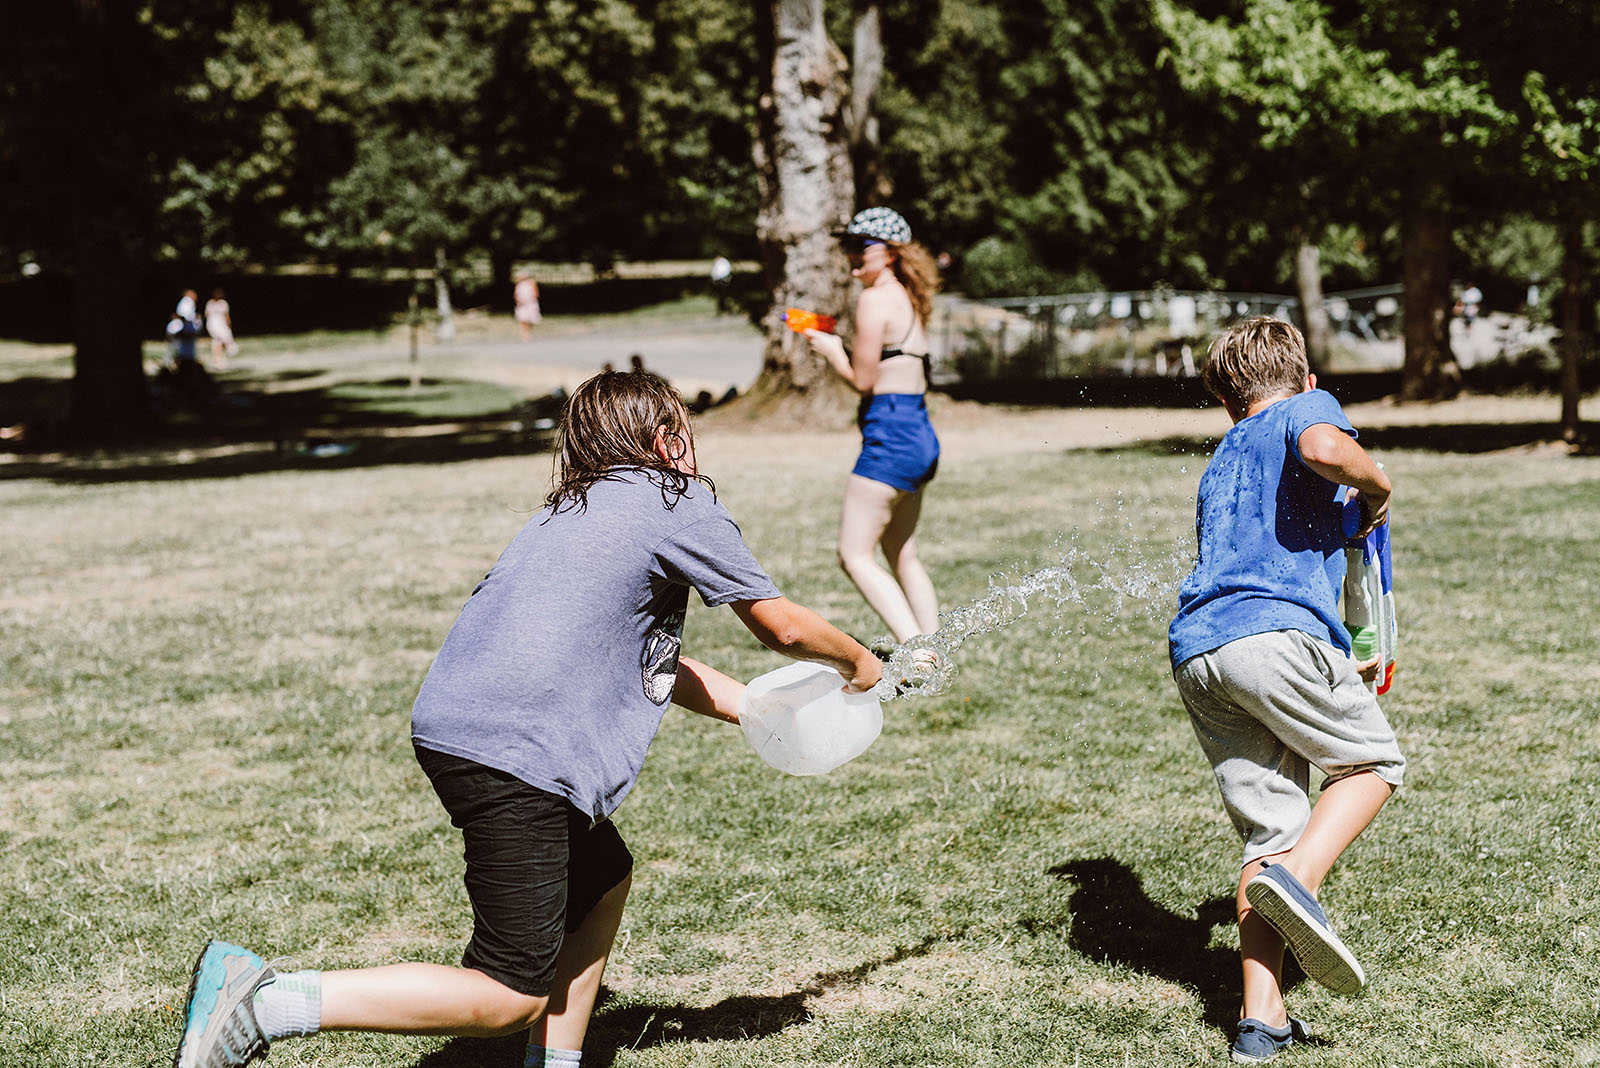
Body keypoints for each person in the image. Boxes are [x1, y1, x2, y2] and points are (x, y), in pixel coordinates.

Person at [172, 370, 883, 1068]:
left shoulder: (573, 510)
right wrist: (859, 663)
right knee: (506, 992)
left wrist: (759, 709)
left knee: (602, 877)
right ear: (667, 440)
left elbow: (648, 661)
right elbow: (783, 628)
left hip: (461, 726)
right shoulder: (676, 500)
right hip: (519, 749)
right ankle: (267, 1000)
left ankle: (557, 1061)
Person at [1167, 317, 1404, 1064]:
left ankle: (1259, 1022)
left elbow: (1254, 560)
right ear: (1302, 378)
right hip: (1270, 639)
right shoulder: (1306, 408)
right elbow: (1326, 449)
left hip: (1202, 653)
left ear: (1227, 398)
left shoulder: (1222, 461)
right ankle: (1299, 886)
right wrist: (1378, 488)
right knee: (1371, 765)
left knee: (1269, 831)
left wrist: (1335, 647)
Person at [804, 207, 942, 662]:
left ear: (888, 252)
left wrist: (829, 349)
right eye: (847, 247)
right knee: (900, 551)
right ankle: (936, 647)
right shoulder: (907, 296)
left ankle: (917, 654)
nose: (850, 258)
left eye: (859, 247)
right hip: (919, 430)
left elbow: (863, 381)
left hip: (891, 433)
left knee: (854, 555)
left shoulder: (872, 300)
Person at [205, 288, 237, 367]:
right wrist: (229, 325)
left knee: (217, 342)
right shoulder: (221, 303)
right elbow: (226, 316)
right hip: (218, 325)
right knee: (220, 341)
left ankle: (218, 358)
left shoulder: (211, 303)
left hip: (213, 325)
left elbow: (206, 315)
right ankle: (219, 359)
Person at [514, 271, 542, 341]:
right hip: (521, 304)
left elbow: (536, 294)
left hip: (530, 304)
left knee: (530, 319)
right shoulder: (519, 284)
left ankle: (529, 333)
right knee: (522, 319)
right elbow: (516, 295)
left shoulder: (531, 283)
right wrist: (519, 301)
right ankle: (524, 335)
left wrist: (528, 300)